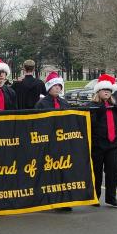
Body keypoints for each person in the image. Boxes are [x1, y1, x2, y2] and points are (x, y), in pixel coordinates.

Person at [35, 72, 72, 212]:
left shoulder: (64, 103)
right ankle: (50, 199)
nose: (58, 88)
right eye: (55, 85)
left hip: (63, 143)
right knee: (50, 173)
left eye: (59, 86)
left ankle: (64, 200)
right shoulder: (41, 103)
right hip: (48, 143)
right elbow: (36, 123)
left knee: (64, 172)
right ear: (49, 87)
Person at [87, 74, 117, 207]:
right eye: (104, 90)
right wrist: (99, 112)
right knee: (97, 172)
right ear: (98, 91)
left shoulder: (114, 106)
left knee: (113, 170)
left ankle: (111, 197)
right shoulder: (92, 105)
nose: (107, 92)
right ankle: (95, 197)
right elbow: (90, 124)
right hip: (98, 145)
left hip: (113, 144)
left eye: (109, 91)